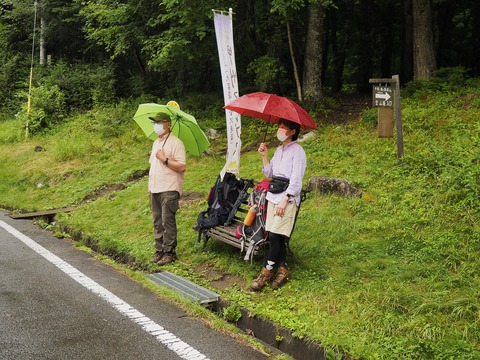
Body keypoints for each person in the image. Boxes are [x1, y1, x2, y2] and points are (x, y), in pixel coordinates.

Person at [251, 118, 306, 291]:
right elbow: (270, 173)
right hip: (274, 196)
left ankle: (266, 272)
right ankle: (283, 269)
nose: (279, 130)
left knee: (275, 236)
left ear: (292, 132)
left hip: (286, 197)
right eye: (279, 127)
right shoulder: (279, 150)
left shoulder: (298, 151)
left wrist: (286, 198)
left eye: (283, 127)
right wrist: (264, 156)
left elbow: (296, 179)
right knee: (276, 237)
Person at [148, 112, 186, 266]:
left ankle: (169, 251)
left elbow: (182, 166)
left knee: (167, 220)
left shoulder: (176, 143)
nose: (156, 125)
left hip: (169, 188)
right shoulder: (156, 143)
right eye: (154, 122)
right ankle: (159, 250)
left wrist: (164, 159)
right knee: (157, 221)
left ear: (168, 124)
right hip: (155, 187)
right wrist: (149, 186)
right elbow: (153, 166)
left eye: (159, 122)